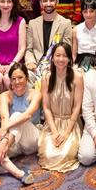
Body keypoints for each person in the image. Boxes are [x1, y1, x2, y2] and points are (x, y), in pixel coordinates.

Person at [0, 62, 41, 185]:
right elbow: (4, 117)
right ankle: (18, 173)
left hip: (31, 139)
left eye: (20, 78)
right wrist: (4, 136)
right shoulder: (4, 96)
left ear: (27, 78)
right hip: (13, 141)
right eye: (13, 79)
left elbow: (27, 115)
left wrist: (3, 138)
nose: (17, 82)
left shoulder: (35, 94)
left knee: (17, 116)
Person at [37, 42, 83, 173]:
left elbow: (77, 106)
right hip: (52, 122)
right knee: (48, 154)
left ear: (69, 58)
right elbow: (45, 107)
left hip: (71, 122)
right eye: (57, 55)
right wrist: (54, 132)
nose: (61, 59)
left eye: (64, 56)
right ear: (52, 57)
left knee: (65, 154)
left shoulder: (78, 76)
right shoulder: (46, 77)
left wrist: (67, 132)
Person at [24, 0, 74, 83]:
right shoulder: (33, 24)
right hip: (36, 65)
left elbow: (67, 49)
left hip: (56, 65)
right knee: (25, 76)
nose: (48, 4)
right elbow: (29, 49)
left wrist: (56, 64)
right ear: (40, 3)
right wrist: (30, 62)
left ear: (57, 2)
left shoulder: (65, 23)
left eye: (51, 0)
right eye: (45, 1)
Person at [74, 0, 96, 70]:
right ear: (82, 13)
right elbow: (74, 53)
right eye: (85, 12)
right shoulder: (76, 29)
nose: (88, 15)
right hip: (79, 62)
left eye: (91, 11)